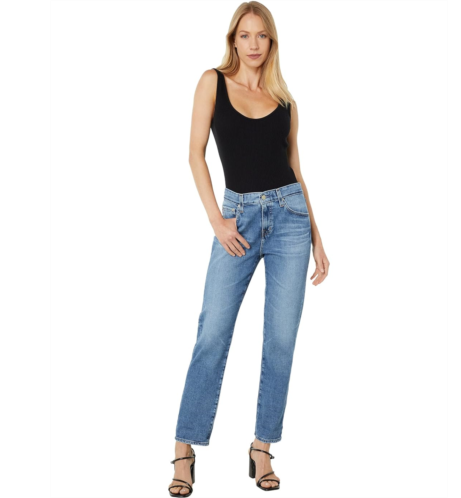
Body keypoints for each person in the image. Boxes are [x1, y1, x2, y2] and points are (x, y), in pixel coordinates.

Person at [169, 2, 329, 496]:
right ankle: (183, 449)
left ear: (271, 42)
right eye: (245, 35)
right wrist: (216, 221)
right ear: (233, 40)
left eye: (262, 35)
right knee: (212, 332)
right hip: (236, 220)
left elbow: (295, 170)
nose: (253, 44)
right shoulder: (212, 83)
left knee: (280, 341)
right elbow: (194, 154)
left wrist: (317, 237)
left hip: (290, 221)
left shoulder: (285, 102)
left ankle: (262, 448)